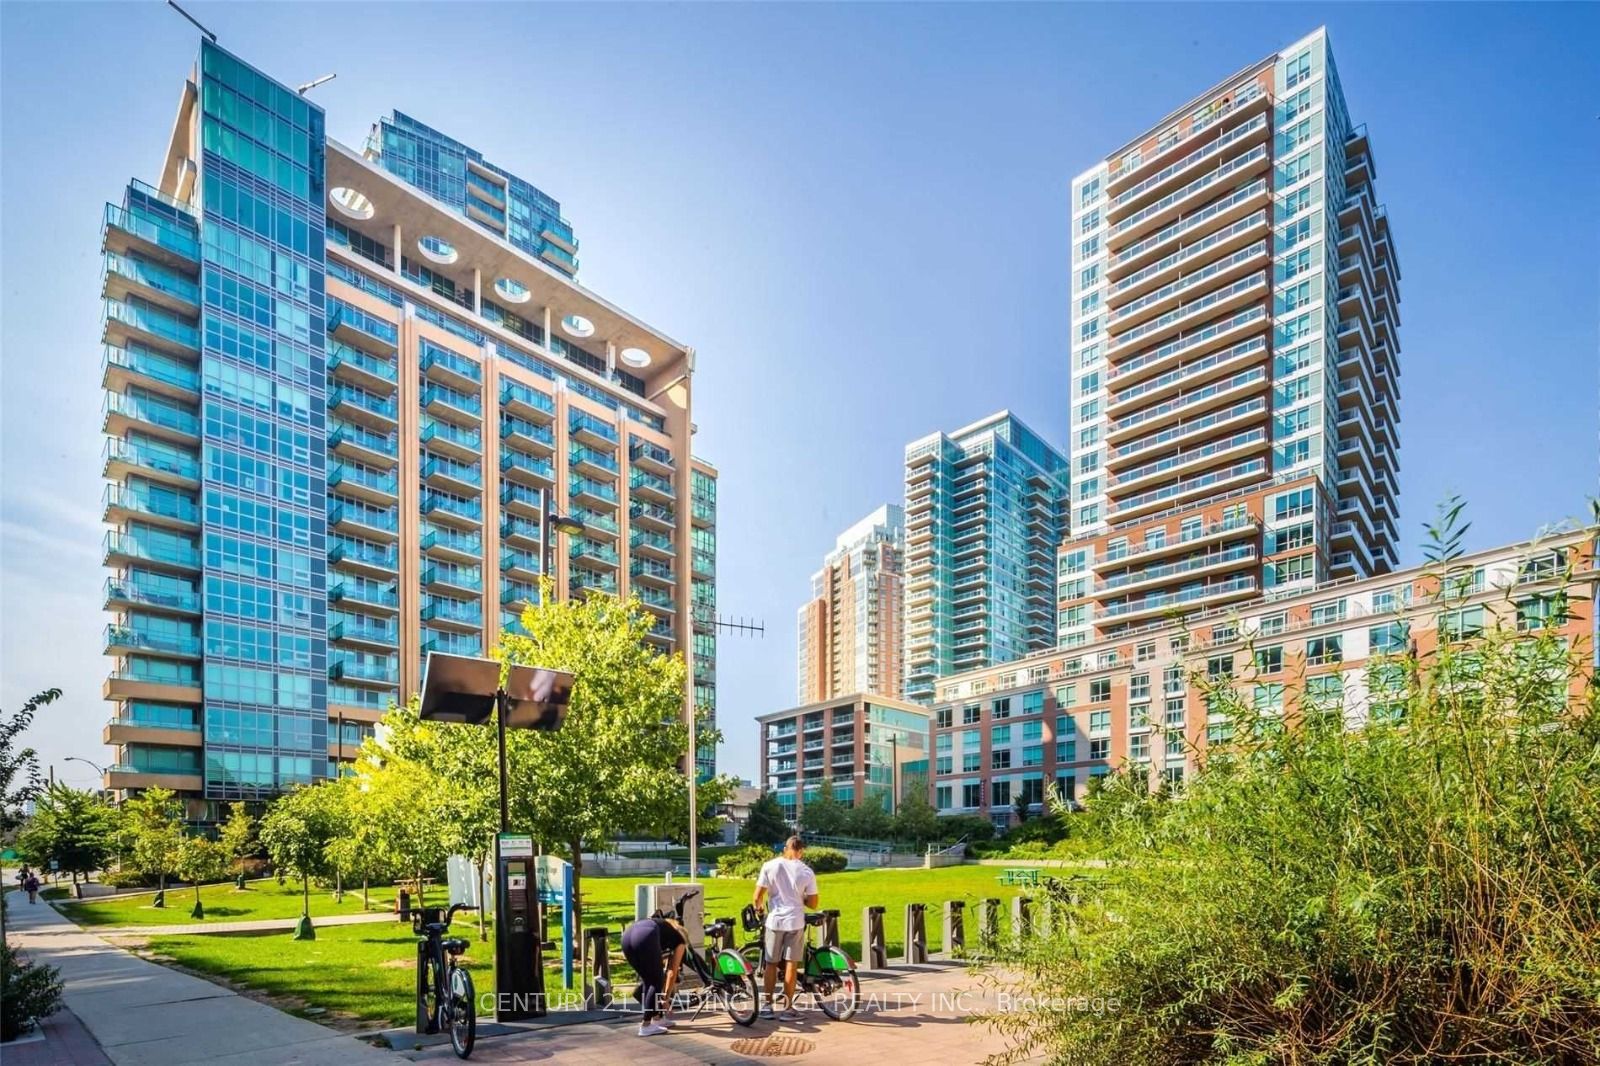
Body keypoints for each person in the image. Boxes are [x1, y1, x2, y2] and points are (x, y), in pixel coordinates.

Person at [752, 835, 819, 1022]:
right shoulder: (806, 871)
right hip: (795, 921)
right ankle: (788, 1009)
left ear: (785, 849)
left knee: (771, 964)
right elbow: (813, 903)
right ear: (801, 851)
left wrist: (759, 909)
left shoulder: (769, 866)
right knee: (791, 964)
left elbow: (757, 896)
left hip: (774, 921)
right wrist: (800, 897)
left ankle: (767, 1006)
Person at [619, 906, 688, 1037]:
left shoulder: (664, 926)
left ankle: (657, 1018)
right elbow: (672, 971)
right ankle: (646, 1025)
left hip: (627, 936)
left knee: (648, 979)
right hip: (647, 935)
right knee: (656, 981)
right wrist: (665, 998)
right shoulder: (681, 939)